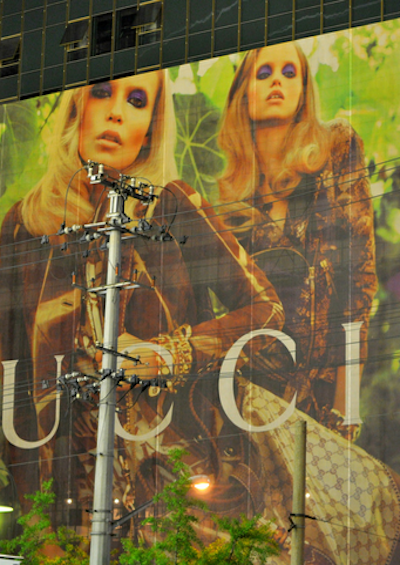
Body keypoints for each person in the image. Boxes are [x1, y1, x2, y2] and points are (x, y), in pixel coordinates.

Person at [0, 70, 283, 533]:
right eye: (101, 93)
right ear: (76, 109)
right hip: (66, 502)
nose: (115, 112)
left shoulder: (170, 205)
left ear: (150, 129)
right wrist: (36, 523)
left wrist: (169, 353)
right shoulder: (23, 225)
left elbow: (266, 309)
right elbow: (9, 384)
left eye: (136, 101)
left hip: (171, 488)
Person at [217, 43, 378, 427]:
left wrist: (345, 413)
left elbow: (358, 286)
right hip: (252, 398)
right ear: (243, 95)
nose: (277, 81)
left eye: (289, 73)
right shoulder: (234, 205)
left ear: (304, 90)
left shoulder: (336, 146)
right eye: (264, 73)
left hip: (321, 395)